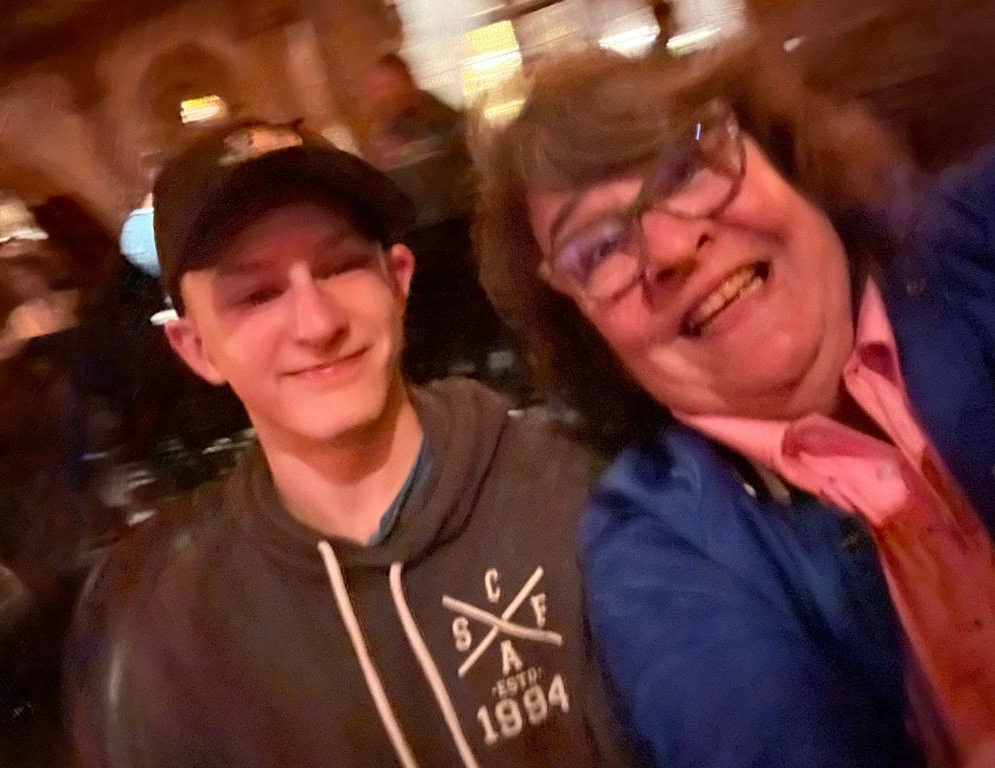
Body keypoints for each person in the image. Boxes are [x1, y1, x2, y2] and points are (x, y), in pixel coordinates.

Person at [473, 39, 995, 767]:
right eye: (598, 251)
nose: (670, 249)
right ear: (589, 335)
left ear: (778, 154)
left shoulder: (969, 252)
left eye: (686, 169)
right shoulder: (658, 545)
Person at [64, 119, 640, 768]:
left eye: (339, 268)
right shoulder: (173, 630)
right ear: (196, 347)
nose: (316, 324)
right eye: (256, 295)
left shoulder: (584, 490)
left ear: (398, 279)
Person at [362, 53, 517, 387]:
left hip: (457, 239)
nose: (380, 96)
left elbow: (471, 172)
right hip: (419, 248)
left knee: (474, 322)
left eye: (386, 85)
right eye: (375, 89)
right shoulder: (381, 138)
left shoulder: (444, 122)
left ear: (406, 82)